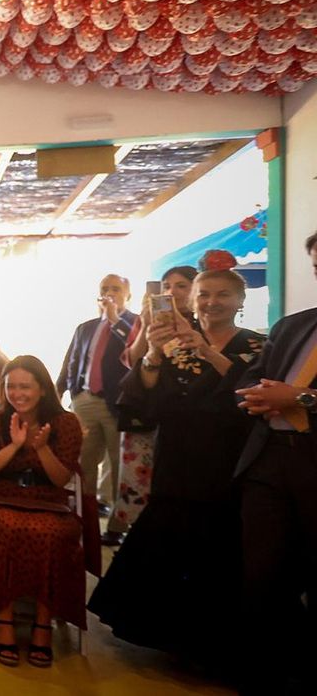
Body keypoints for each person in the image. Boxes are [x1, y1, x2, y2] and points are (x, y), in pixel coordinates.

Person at [88, 268, 261, 676]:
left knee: (221, 551)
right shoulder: (175, 346)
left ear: (240, 301)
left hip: (229, 462)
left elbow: (251, 393)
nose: (212, 303)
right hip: (178, 459)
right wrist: (151, 353)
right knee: (172, 539)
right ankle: (170, 640)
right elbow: (142, 402)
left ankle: (213, 645)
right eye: (204, 295)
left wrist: (207, 351)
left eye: (222, 295)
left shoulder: (257, 345)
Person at [229, 231, 317, 696]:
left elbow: (295, 395)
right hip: (268, 462)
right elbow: (248, 380)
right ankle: (263, 674)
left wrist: (300, 398)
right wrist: (256, 396)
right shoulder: (292, 326)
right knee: (262, 577)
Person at [0, 354, 84, 668]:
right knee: (5, 527)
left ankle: (43, 623)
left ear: (43, 389)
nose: (17, 394)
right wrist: (15, 445)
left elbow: (61, 478)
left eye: (25, 387)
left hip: (50, 499)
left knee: (51, 534)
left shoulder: (66, 423)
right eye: (12, 386)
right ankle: (4, 619)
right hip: (3, 496)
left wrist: (41, 447)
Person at [111, 265, 198, 539]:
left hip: (185, 415)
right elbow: (131, 361)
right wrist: (147, 326)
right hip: (144, 411)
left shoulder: (202, 324)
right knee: (139, 481)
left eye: (181, 286)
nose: (172, 292)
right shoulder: (149, 321)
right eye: (167, 286)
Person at [56, 274, 139, 521]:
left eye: (116, 289)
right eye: (105, 289)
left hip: (118, 402)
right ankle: (84, 517)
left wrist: (114, 319)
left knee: (118, 464)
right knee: (83, 462)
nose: (109, 293)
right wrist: (64, 390)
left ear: (128, 295)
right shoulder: (85, 327)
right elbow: (71, 361)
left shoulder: (137, 322)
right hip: (85, 400)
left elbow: (136, 351)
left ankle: (117, 525)